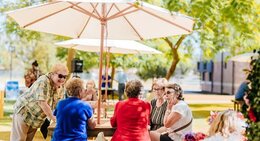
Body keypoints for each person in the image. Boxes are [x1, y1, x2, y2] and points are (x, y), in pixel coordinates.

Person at [10, 63, 68, 141]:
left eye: (65, 77)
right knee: (19, 139)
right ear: (53, 73)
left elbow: (59, 105)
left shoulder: (60, 86)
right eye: (60, 76)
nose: (63, 79)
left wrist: (62, 117)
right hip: (24, 113)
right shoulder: (44, 81)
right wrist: (53, 118)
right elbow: (42, 102)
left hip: (36, 119)